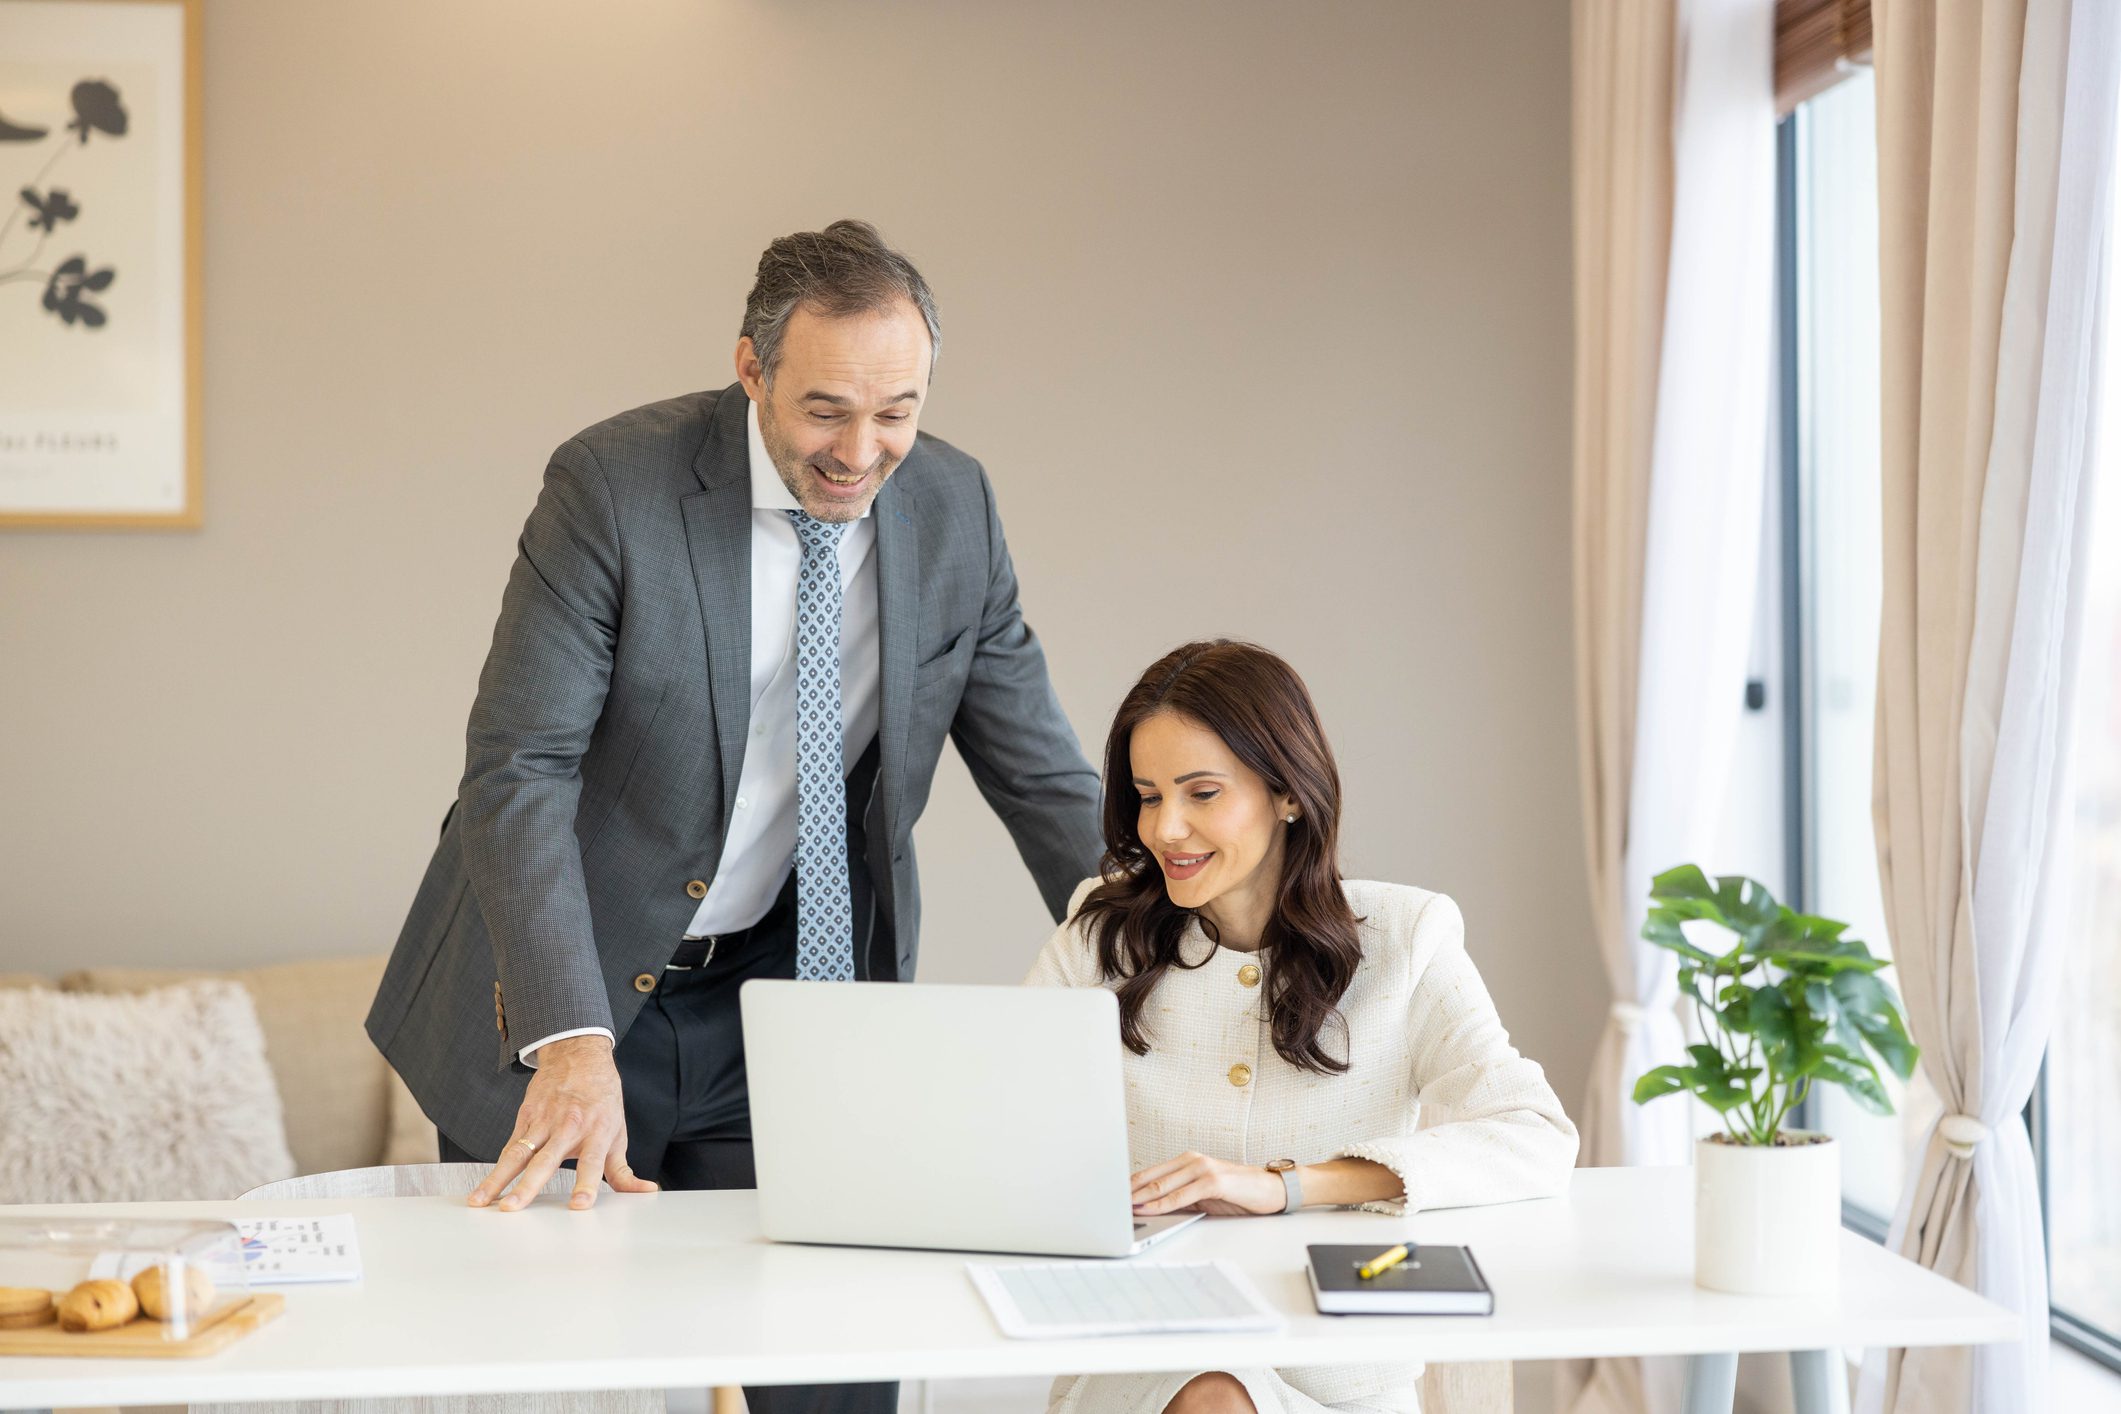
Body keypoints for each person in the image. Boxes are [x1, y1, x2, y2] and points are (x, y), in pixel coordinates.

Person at [365, 219, 1102, 1414]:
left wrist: (1165, 957)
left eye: (897, 411)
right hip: (585, 994)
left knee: (839, 1373)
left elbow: (1044, 775)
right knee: (556, 1382)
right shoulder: (615, 485)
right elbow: (519, 767)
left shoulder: (955, 508)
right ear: (751, 367)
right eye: (826, 410)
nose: (862, 452)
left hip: (798, 1000)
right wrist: (568, 1036)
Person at [1026, 640, 1579, 1414]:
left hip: (1339, 1371)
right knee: (1214, 1395)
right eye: (1149, 797)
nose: (1167, 829)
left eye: (1202, 793)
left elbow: (1533, 1136)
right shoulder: (1098, 936)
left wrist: (1283, 1189)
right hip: (1147, 1357)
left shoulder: (1403, 936)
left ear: (1287, 794)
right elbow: (1007, 1129)